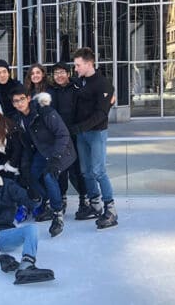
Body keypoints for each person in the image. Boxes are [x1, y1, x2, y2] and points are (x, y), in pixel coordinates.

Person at [12, 86, 76, 237]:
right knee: (32, 176)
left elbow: (63, 134)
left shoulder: (45, 112)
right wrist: (26, 166)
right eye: (16, 101)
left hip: (62, 151)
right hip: (43, 153)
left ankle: (57, 214)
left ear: (28, 98)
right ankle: (48, 202)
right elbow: (27, 145)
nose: (19, 103)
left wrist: (55, 159)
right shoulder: (19, 119)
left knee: (49, 176)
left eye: (22, 99)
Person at [70, 47, 117, 230]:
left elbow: (101, 113)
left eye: (78, 65)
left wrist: (79, 128)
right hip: (82, 134)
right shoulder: (81, 82)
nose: (76, 69)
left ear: (89, 64)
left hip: (96, 133)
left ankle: (111, 210)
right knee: (86, 171)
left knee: (98, 171)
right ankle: (95, 204)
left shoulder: (103, 84)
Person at [51, 62, 92, 218]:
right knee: (61, 170)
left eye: (62, 72)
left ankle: (84, 199)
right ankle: (62, 198)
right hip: (58, 137)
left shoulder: (76, 88)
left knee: (77, 170)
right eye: (56, 73)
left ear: (68, 73)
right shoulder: (51, 91)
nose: (59, 76)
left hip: (75, 135)